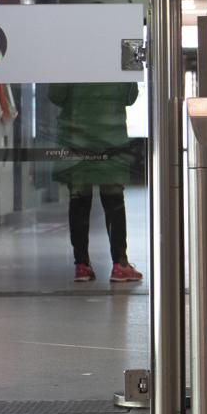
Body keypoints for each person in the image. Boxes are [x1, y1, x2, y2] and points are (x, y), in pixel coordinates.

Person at [49, 82, 143, 284]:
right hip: (110, 140)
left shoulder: (68, 57)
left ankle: (81, 265)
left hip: (76, 139)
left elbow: (55, 95)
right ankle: (120, 265)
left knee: (79, 201)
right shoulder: (117, 54)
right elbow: (131, 96)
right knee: (114, 202)